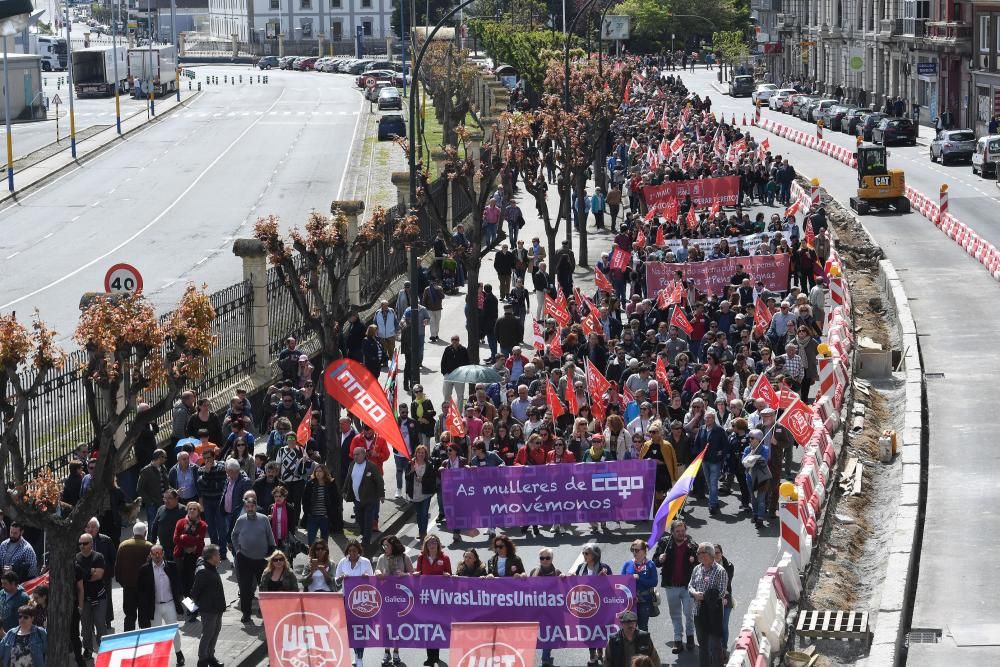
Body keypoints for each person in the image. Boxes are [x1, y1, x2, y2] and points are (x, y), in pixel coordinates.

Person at [652, 519, 699, 654]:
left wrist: (694, 560)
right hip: (671, 586)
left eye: (683, 531)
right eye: (677, 531)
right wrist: (660, 559)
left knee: (689, 614)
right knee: (675, 614)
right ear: (672, 532)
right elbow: (656, 561)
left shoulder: (692, 545)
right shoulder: (665, 543)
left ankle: (690, 637)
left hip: (687, 586)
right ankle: (678, 640)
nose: (680, 533)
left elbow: (700, 564)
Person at [230, 492, 277, 623]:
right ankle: (246, 613)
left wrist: (271, 550)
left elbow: (270, 536)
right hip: (244, 558)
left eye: (252, 506)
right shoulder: (241, 520)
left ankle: (265, 611)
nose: (250, 509)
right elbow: (234, 535)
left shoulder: (264, 519)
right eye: (248, 507)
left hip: (261, 560)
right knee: (245, 588)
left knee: (264, 586)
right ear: (245, 508)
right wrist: (237, 549)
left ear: (256, 507)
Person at [137, 544, 185, 665]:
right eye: (155, 553)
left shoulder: (172, 566)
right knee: (156, 634)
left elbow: (178, 584)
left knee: (174, 630)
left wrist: (183, 600)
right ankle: (158, 658)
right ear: (151, 555)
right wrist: (143, 609)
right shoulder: (144, 569)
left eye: (159, 553)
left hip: (170, 604)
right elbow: (141, 591)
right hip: (155, 607)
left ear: (163, 553)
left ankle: (179, 653)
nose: (157, 556)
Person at [689, 541, 728, 667]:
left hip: (713, 614)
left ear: (710, 554)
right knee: (702, 646)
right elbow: (690, 586)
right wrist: (695, 594)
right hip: (698, 612)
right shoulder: (697, 568)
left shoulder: (720, 571)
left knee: (715, 646)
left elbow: (721, 592)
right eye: (698, 553)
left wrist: (704, 596)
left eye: (701, 552)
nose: (698, 555)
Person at [335, 539, 373, 667]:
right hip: (347, 601)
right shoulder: (342, 562)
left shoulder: (366, 562)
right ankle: (356, 654)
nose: (352, 553)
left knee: (361, 630)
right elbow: (336, 582)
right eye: (350, 551)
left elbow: (373, 582)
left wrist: (366, 578)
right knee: (351, 630)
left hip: (362, 601)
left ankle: (360, 658)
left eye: (355, 551)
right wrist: (341, 577)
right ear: (347, 551)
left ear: (359, 551)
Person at [414, 535, 451, 666]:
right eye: (429, 543)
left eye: (434, 542)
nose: (432, 544)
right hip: (425, 598)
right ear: (426, 545)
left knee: (438, 627)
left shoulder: (444, 558)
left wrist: (447, 575)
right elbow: (417, 574)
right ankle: (430, 657)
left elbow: (450, 576)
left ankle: (436, 656)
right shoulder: (421, 557)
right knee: (428, 628)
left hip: (439, 598)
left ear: (438, 544)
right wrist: (416, 574)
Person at [190, 544, 225, 667]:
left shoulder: (212, 567)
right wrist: (196, 607)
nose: (220, 556)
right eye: (218, 554)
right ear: (212, 556)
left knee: (215, 633)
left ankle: (210, 656)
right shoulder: (203, 571)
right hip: (209, 609)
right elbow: (194, 592)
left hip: (217, 607)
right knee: (208, 634)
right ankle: (202, 660)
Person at [343, 447, 385, 548]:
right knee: (359, 519)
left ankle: (366, 541)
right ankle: (363, 534)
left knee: (368, 520)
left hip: (370, 499)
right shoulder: (352, 464)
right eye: (354, 455)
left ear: (364, 454)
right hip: (357, 500)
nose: (355, 457)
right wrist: (344, 490)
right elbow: (348, 479)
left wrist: (381, 495)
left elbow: (379, 481)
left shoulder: (371, 466)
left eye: (357, 454)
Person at [115, 522, 153, 632]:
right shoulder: (149, 546)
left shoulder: (123, 545)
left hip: (128, 587)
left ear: (133, 532)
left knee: (129, 616)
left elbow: (118, 566)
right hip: (144, 589)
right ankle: (145, 641)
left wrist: (122, 582)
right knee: (145, 617)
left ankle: (128, 641)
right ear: (145, 533)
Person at [75, 533, 108, 657]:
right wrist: (90, 571)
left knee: (100, 623)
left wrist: (83, 575)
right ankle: (88, 648)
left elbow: (98, 575)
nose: (82, 546)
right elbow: (77, 578)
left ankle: (104, 647)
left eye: (85, 543)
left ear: (91, 544)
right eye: (80, 544)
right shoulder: (76, 558)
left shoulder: (98, 557)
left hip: (99, 596)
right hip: (84, 598)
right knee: (85, 625)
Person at [530, 547, 561, 667]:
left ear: (552, 559)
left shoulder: (557, 572)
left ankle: (546, 657)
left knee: (550, 633)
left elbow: (564, 589)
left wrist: (564, 578)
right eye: (542, 558)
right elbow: (528, 587)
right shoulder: (534, 571)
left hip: (553, 610)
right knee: (542, 633)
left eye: (547, 558)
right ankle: (545, 658)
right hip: (538, 609)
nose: (544, 560)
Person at [621, 539, 658, 632]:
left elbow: (654, 582)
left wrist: (639, 579)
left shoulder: (650, 564)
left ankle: (643, 646)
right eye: (632, 550)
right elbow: (620, 582)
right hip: (630, 600)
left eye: (637, 550)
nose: (634, 552)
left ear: (644, 551)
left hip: (644, 600)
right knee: (628, 627)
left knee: (642, 627)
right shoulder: (627, 564)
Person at [173, 502, 207, 598]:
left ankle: (194, 603)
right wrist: (188, 544)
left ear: (198, 512)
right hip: (180, 555)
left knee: (192, 580)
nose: (191, 510)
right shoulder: (180, 522)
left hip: (195, 556)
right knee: (181, 579)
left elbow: (199, 541)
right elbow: (175, 539)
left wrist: (184, 537)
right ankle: (185, 600)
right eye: (190, 509)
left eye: (194, 509)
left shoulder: (203, 525)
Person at [302, 464, 341, 546]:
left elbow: (336, 500)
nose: (318, 473)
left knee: (324, 542)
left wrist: (331, 513)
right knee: (311, 541)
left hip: (325, 517)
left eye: (320, 471)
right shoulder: (310, 483)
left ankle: (323, 558)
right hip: (312, 516)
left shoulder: (331, 484)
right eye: (316, 471)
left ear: (325, 472)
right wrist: (307, 512)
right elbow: (305, 500)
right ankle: (312, 557)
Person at [405, 445, 438, 541]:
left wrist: (422, 479)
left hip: (425, 494)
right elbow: (407, 478)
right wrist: (411, 471)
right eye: (419, 452)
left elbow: (432, 480)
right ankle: (421, 531)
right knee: (419, 515)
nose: (420, 454)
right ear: (416, 453)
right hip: (415, 494)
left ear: (425, 454)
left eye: (423, 453)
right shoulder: (410, 463)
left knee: (424, 514)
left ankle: (424, 533)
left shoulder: (429, 465)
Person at [742, 429, 771, 527]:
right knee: (753, 498)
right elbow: (744, 463)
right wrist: (752, 455)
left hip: (761, 479)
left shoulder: (765, 449)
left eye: (752, 438)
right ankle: (755, 515)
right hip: (750, 478)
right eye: (749, 438)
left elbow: (764, 461)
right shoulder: (747, 449)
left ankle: (760, 518)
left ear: (759, 439)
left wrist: (752, 459)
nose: (749, 440)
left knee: (761, 499)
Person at [138, 449, 170, 527]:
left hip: (164, 502)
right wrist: (150, 502)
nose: (166, 459)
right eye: (165, 457)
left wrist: (173, 491)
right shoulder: (146, 471)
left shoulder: (163, 468)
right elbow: (139, 489)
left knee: (164, 525)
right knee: (152, 526)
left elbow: (166, 484)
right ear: (159, 457)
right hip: (152, 505)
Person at [152, 489, 186, 561]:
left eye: (169, 498)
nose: (166, 501)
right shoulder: (161, 509)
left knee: (178, 569)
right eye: (165, 498)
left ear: (176, 498)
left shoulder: (184, 510)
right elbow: (155, 525)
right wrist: (153, 541)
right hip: (164, 547)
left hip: (179, 549)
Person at [715, 544, 736, 654]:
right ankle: (715, 647)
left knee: (724, 624)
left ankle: (723, 648)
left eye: (717, 553)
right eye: (713, 553)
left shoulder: (728, 565)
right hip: (713, 599)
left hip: (726, 598)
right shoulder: (707, 566)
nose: (715, 555)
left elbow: (726, 583)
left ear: (722, 553)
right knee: (713, 624)